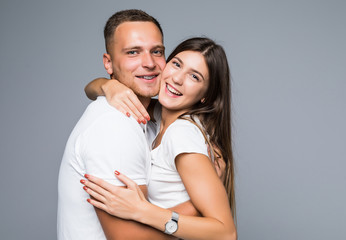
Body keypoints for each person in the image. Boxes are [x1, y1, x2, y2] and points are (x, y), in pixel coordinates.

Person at [58, 9, 198, 240]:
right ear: (108, 63)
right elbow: (131, 237)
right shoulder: (114, 127)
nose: (149, 63)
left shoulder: (150, 116)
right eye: (133, 52)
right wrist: (199, 201)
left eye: (157, 51)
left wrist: (104, 85)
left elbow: (90, 88)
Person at [81, 37, 237, 240]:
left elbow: (226, 233)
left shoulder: (181, 134)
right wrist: (109, 86)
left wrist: (142, 211)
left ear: (205, 96)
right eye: (176, 64)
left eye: (194, 77)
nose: (177, 79)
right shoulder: (162, 115)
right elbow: (89, 89)